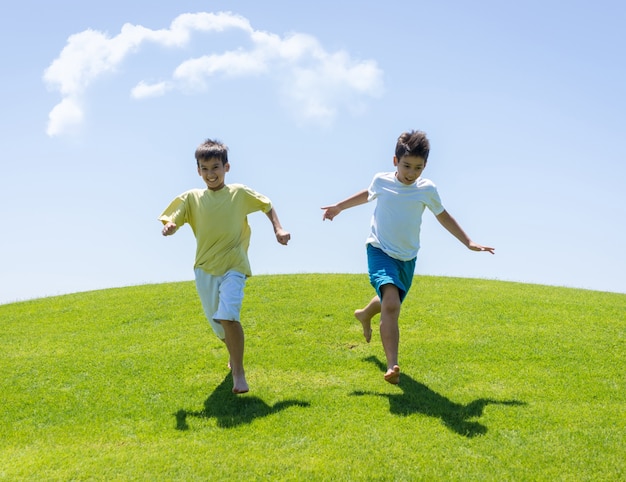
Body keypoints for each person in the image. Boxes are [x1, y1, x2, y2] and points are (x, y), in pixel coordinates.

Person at [321, 130, 494, 385]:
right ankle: (392, 365)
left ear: (425, 166)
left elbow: (443, 216)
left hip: (407, 257)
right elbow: (367, 194)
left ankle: (365, 313)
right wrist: (338, 207)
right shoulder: (382, 181)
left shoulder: (427, 189)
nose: (411, 173)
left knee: (389, 300)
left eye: (418, 168)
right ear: (395, 161)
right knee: (392, 304)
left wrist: (468, 241)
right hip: (379, 249)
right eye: (406, 166)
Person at [159, 139, 290, 394]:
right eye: (205, 168)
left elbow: (267, 204)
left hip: (235, 265)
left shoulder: (238, 193)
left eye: (216, 167)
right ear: (198, 170)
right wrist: (170, 227)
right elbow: (172, 218)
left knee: (228, 315)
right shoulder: (191, 198)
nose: (211, 174)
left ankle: (239, 374)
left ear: (226, 167)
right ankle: (232, 352)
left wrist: (278, 228)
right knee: (218, 325)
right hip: (205, 268)